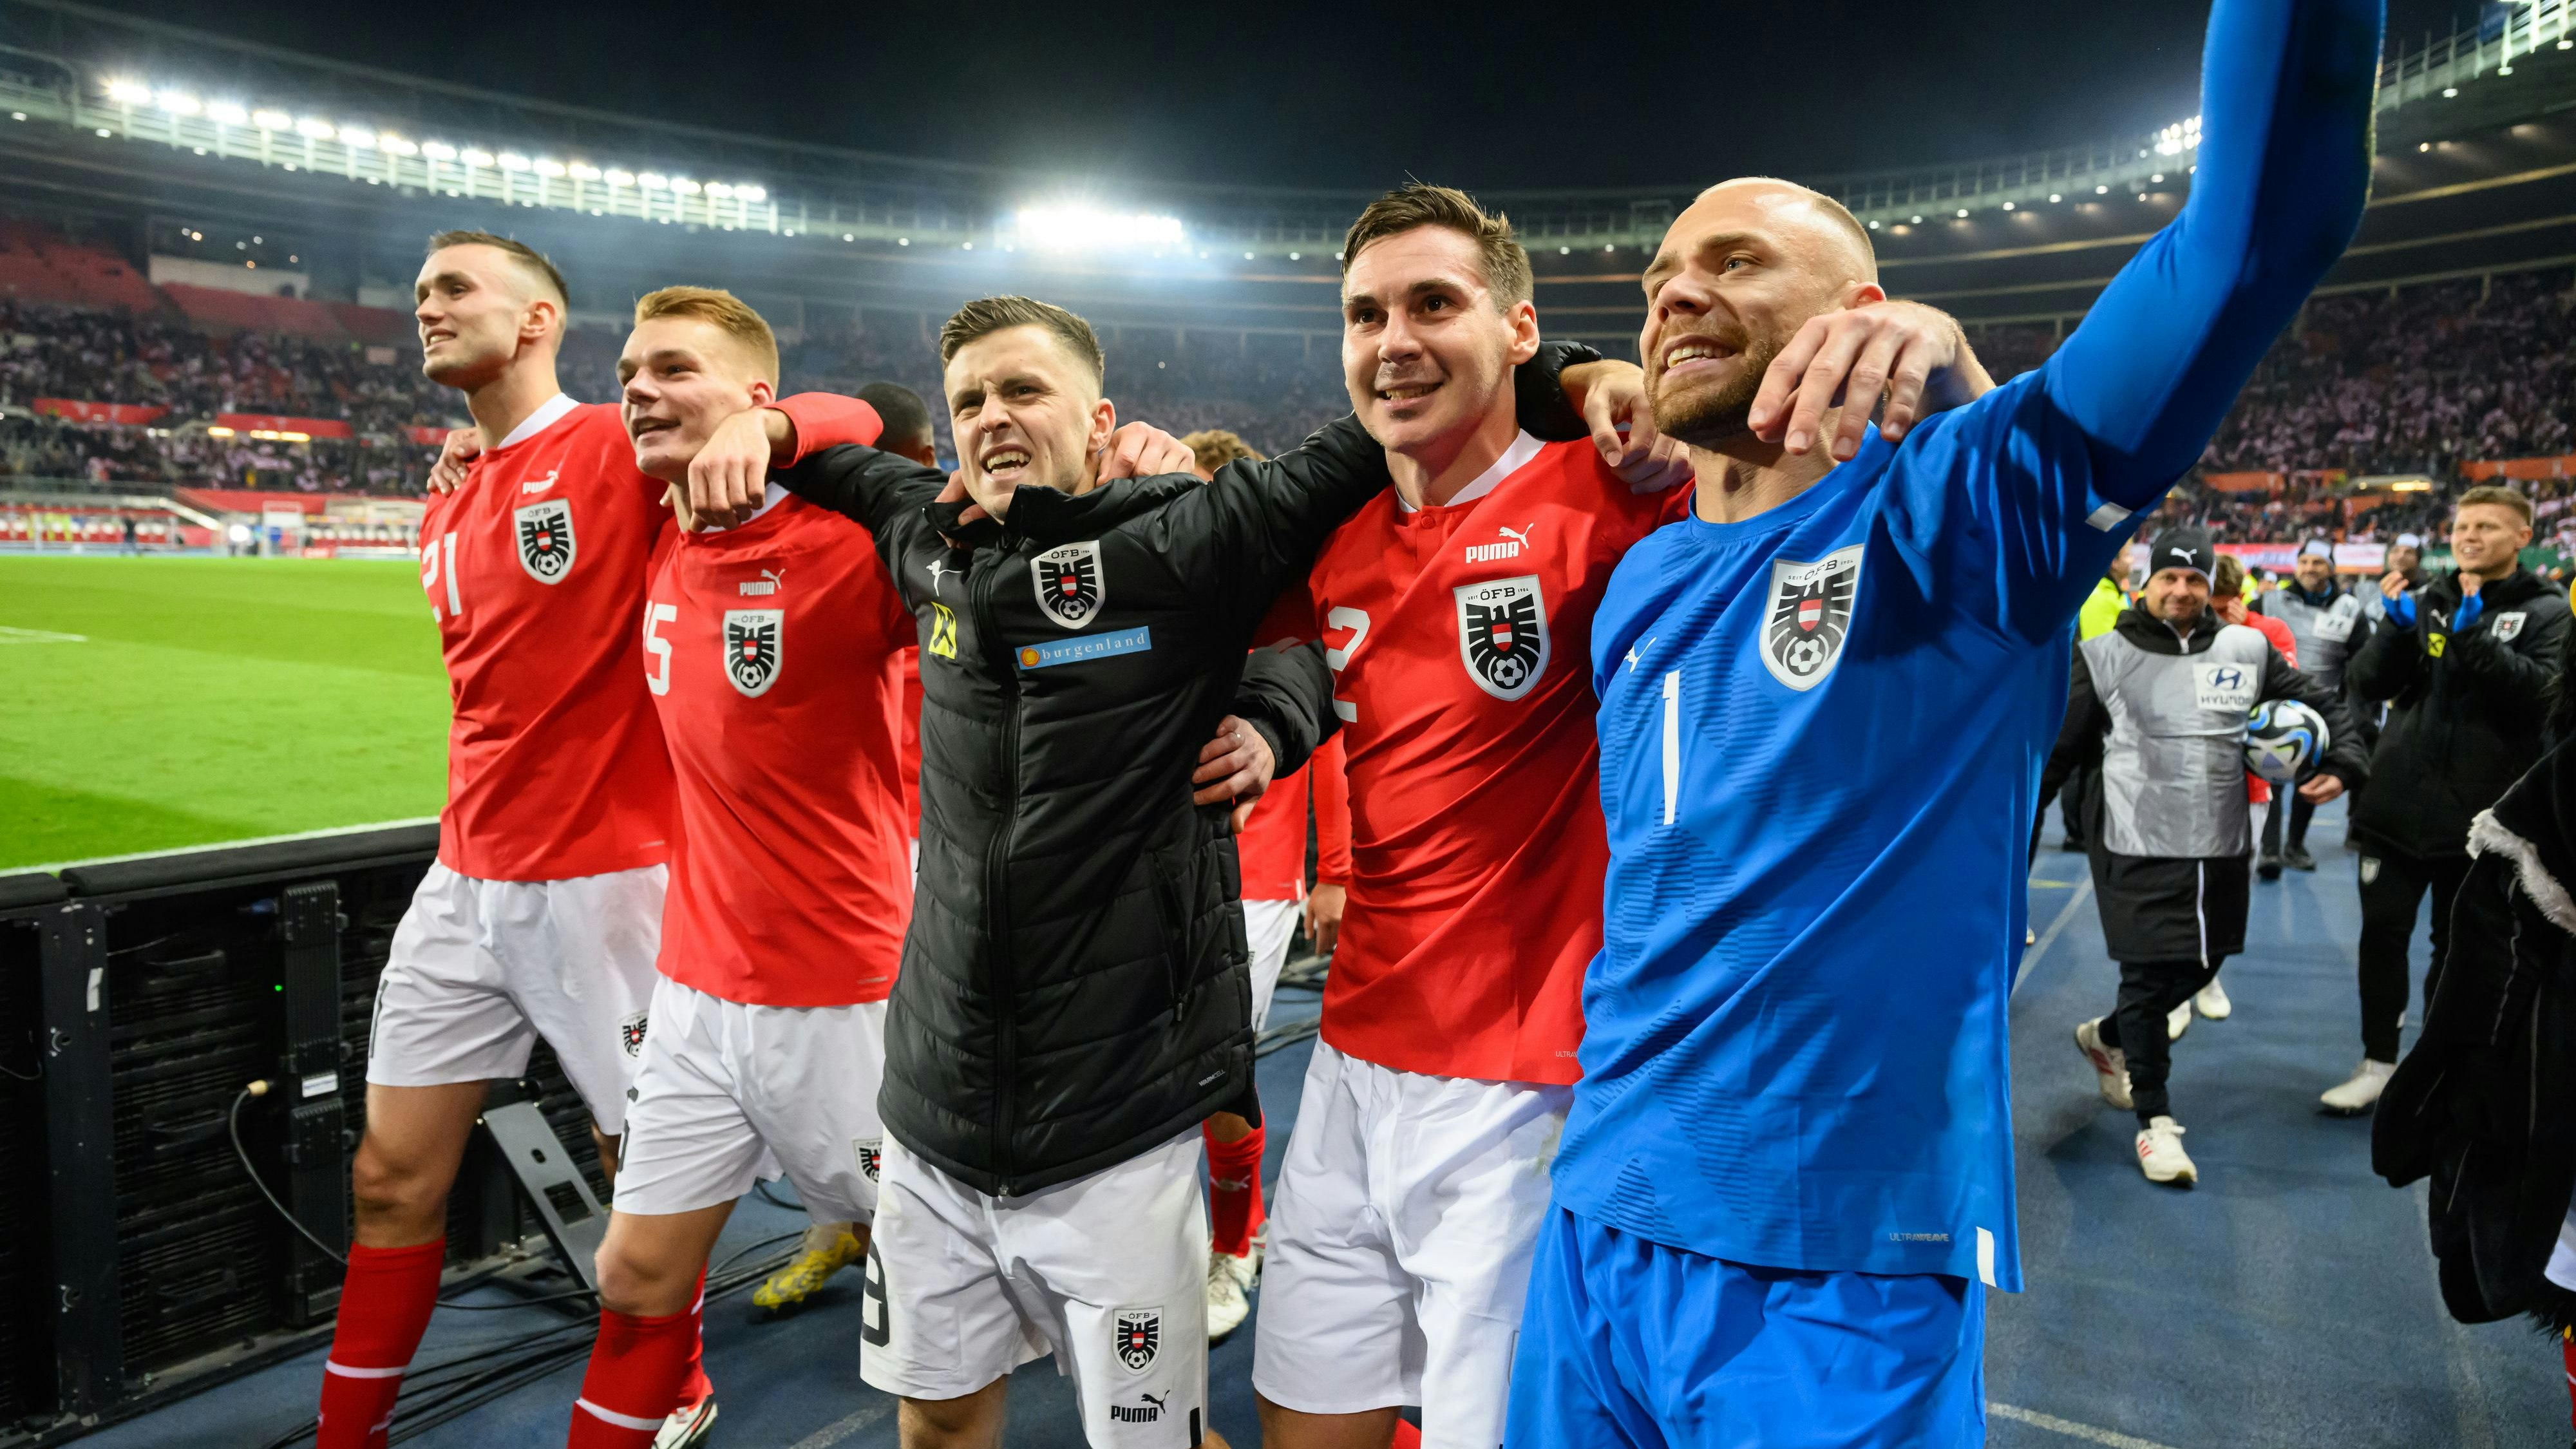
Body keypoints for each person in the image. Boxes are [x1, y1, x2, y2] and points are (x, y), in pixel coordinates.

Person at [1509, 0, 2379, 1437]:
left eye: (1734, 261)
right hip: (1596, 1218)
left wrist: (1962, 388)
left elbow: (2251, 238)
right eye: (1661, 274)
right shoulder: (1639, 576)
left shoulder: (1960, 512)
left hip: (1835, 1268)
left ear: (1857, 316)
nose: (1672, 293)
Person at [710, 294, 1629, 1449]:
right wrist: (776, 429)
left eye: (1023, 390)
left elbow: (1390, 429)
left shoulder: (1189, 538)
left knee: (1145, 1435)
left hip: (1122, 1116)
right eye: (971, 401)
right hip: (935, 1102)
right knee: (937, 1424)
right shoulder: (927, 538)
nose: (994, 417)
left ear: (1101, 419)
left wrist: (1584, 378)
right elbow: (847, 455)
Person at [1239, 184, 1983, 1449]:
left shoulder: (1623, 487)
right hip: (1349, 1060)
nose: (1392, 339)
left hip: (1532, 1085)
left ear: (1518, 326)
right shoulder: (1333, 540)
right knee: (1302, 1421)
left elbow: (1802, 462)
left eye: (1432, 303)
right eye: (1363, 314)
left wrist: (1608, 382)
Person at [316, 232, 880, 1449]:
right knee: (387, 1179)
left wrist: (772, 432)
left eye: (454, 288)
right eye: (417, 289)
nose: (425, 306)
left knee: (657, 1175)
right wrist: (468, 461)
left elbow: (861, 417)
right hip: (464, 876)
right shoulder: (459, 478)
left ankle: (677, 1380)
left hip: (611, 878)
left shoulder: (617, 446)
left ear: (534, 322)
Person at [557, 289, 920, 1447]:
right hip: (697, 996)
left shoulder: (850, 545)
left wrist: (784, 432)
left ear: (758, 404)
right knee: (635, 1273)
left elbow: (890, 416)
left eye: (675, 369)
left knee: (976, 1291)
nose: (640, 389)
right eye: (629, 370)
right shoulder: (662, 524)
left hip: (842, 993)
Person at [2049, 527, 2363, 1186]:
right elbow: (2062, 750)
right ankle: (2155, 1122)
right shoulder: (2103, 655)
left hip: (2220, 841)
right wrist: (2014, 831)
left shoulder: (2247, 648)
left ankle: (2105, 1038)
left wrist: (2345, 759)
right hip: (2132, 842)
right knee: (2147, 978)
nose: (2183, 590)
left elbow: (2323, 703)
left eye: (2195, 580)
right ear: (2148, 582)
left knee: (2202, 966)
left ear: (2213, 585)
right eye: (2171, 577)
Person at [752, 377, 945, 1319]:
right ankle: (837, 1225)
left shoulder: (936, 540)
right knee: (848, 1072)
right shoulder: (820, 548)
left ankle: (949, 1269)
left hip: (943, 845)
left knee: (921, 1069)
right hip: (867, 846)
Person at [1178, 427, 1358, 1344]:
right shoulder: (1163, 591)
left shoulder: (1281, 597)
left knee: (1219, 1071)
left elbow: (1330, 741)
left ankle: (1234, 1241)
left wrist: (1334, 874)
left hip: (1254, 880)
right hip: (1155, 876)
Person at [2330, 485, 2571, 1115]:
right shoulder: (2425, 600)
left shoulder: (2546, 611)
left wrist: (2477, 644)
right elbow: (2368, 686)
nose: (2469, 536)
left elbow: (2541, 699)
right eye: (2463, 525)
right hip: (2394, 806)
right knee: (2380, 937)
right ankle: (2377, 1063)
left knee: (2455, 949)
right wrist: (2391, 632)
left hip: (2478, 819)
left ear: (2522, 537)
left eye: (2487, 527)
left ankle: (2432, 1071)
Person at [2254, 537, 2365, 873]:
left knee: (2311, 778)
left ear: (2331, 568)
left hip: (2322, 707)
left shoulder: (2350, 609)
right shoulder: (2268, 601)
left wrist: (2354, 708)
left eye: (2317, 563)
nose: (2309, 569)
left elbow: (2360, 662)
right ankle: (2269, 849)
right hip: (2273, 707)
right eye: (2304, 562)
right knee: (2269, 775)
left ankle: (2295, 846)